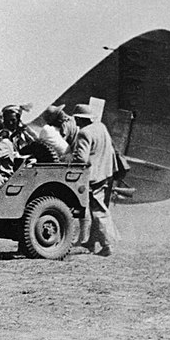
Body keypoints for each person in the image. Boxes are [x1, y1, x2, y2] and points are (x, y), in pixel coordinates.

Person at [69, 102, 118, 256]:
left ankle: (107, 245)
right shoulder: (101, 127)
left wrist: (69, 161)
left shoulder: (84, 133)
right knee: (96, 208)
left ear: (81, 119)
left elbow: (81, 159)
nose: (75, 122)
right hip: (105, 174)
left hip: (92, 177)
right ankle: (91, 243)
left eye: (77, 119)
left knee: (97, 211)